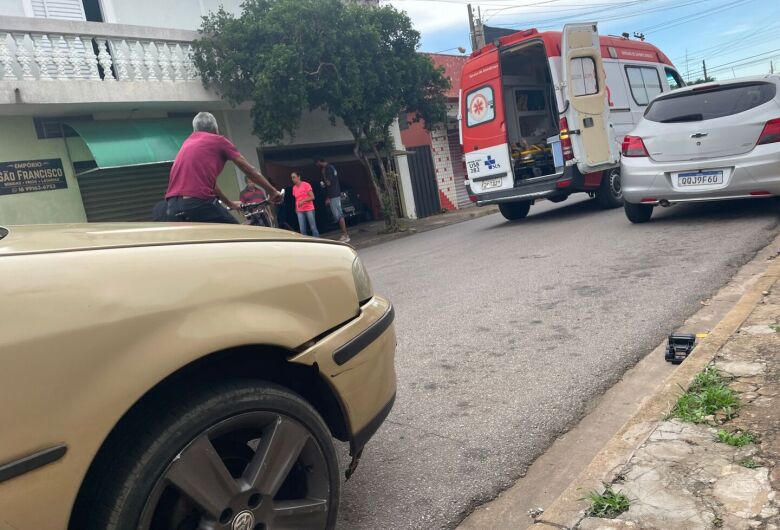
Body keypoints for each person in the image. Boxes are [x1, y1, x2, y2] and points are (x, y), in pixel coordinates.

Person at [165, 112, 281, 223]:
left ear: (195, 130)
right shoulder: (218, 140)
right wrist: (272, 191)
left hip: (172, 206)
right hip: (197, 202)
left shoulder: (187, 143)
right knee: (235, 233)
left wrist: (230, 204)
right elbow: (248, 169)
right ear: (215, 129)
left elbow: (212, 185)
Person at [315, 157, 350, 242]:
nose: (316, 165)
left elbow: (328, 183)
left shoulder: (327, 169)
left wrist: (323, 175)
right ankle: (345, 234)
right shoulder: (332, 167)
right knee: (339, 215)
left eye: (316, 163)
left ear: (319, 161)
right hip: (335, 193)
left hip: (333, 195)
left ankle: (345, 235)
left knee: (338, 215)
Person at [291, 172, 319, 237]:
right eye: (292, 178)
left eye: (294, 177)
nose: (292, 179)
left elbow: (312, 197)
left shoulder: (306, 185)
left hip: (309, 209)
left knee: (313, 227)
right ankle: (306, 242)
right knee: (302, 229)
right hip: (300, 210)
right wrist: (296, 209)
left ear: (299, 177)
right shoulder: (294, 188)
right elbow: (296, 199)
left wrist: (303, 201)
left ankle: (317, 240)